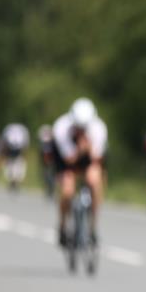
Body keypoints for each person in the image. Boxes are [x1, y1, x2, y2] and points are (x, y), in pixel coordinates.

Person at [52, 98, 107, 246]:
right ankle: (63, 225)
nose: (81, 131)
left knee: (94, 182)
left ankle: (93, 227)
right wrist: (80, 150)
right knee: (67, 191)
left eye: (84, 128)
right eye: (78, 127)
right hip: (67, 160)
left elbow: (97, 157)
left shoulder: (98, 129)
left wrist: (88, 148)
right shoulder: (61, 128)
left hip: (89, 158)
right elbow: (68, 159)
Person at [0, 122, 30, 191]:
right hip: (13, 149)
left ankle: (14, 180)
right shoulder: (22, 129)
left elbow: (4, 141)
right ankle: (14, 180)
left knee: (14, 165)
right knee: (14, 165)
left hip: (14, 149)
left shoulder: (9, 128)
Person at [37, 124, 56, 197]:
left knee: (51, 174)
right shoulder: (43, 144)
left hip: (52, 161)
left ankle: (51, 187)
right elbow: (42, 154)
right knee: (46, 174)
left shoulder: (52, 143)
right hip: (46, 162)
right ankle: (48, 187)